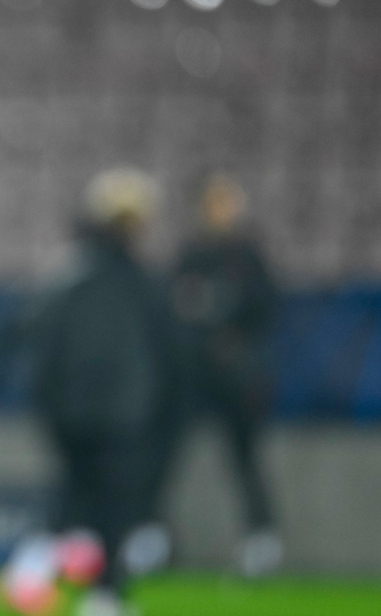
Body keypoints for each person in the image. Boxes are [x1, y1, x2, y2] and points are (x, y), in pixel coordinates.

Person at [0, 169, 181, 616]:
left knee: (76, 492)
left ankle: (37, 571)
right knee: (114, 501)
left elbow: (18, 329)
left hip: (67, 409)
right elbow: (169, 348)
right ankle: (103, 594)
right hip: (120, 410)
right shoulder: (141, 282)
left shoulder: (66, 273)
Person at [172, 173, 281, 577]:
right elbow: (174, 308)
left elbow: (267, 311)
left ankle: (261, 538)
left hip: (238, 377)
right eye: (215, 204)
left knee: (245, 458)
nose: (222, 212)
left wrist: (238, 346)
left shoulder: (248, 257)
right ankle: (153, 536)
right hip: (194, 375)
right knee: (166, 455)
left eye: (228, 203)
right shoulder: (190, 255)